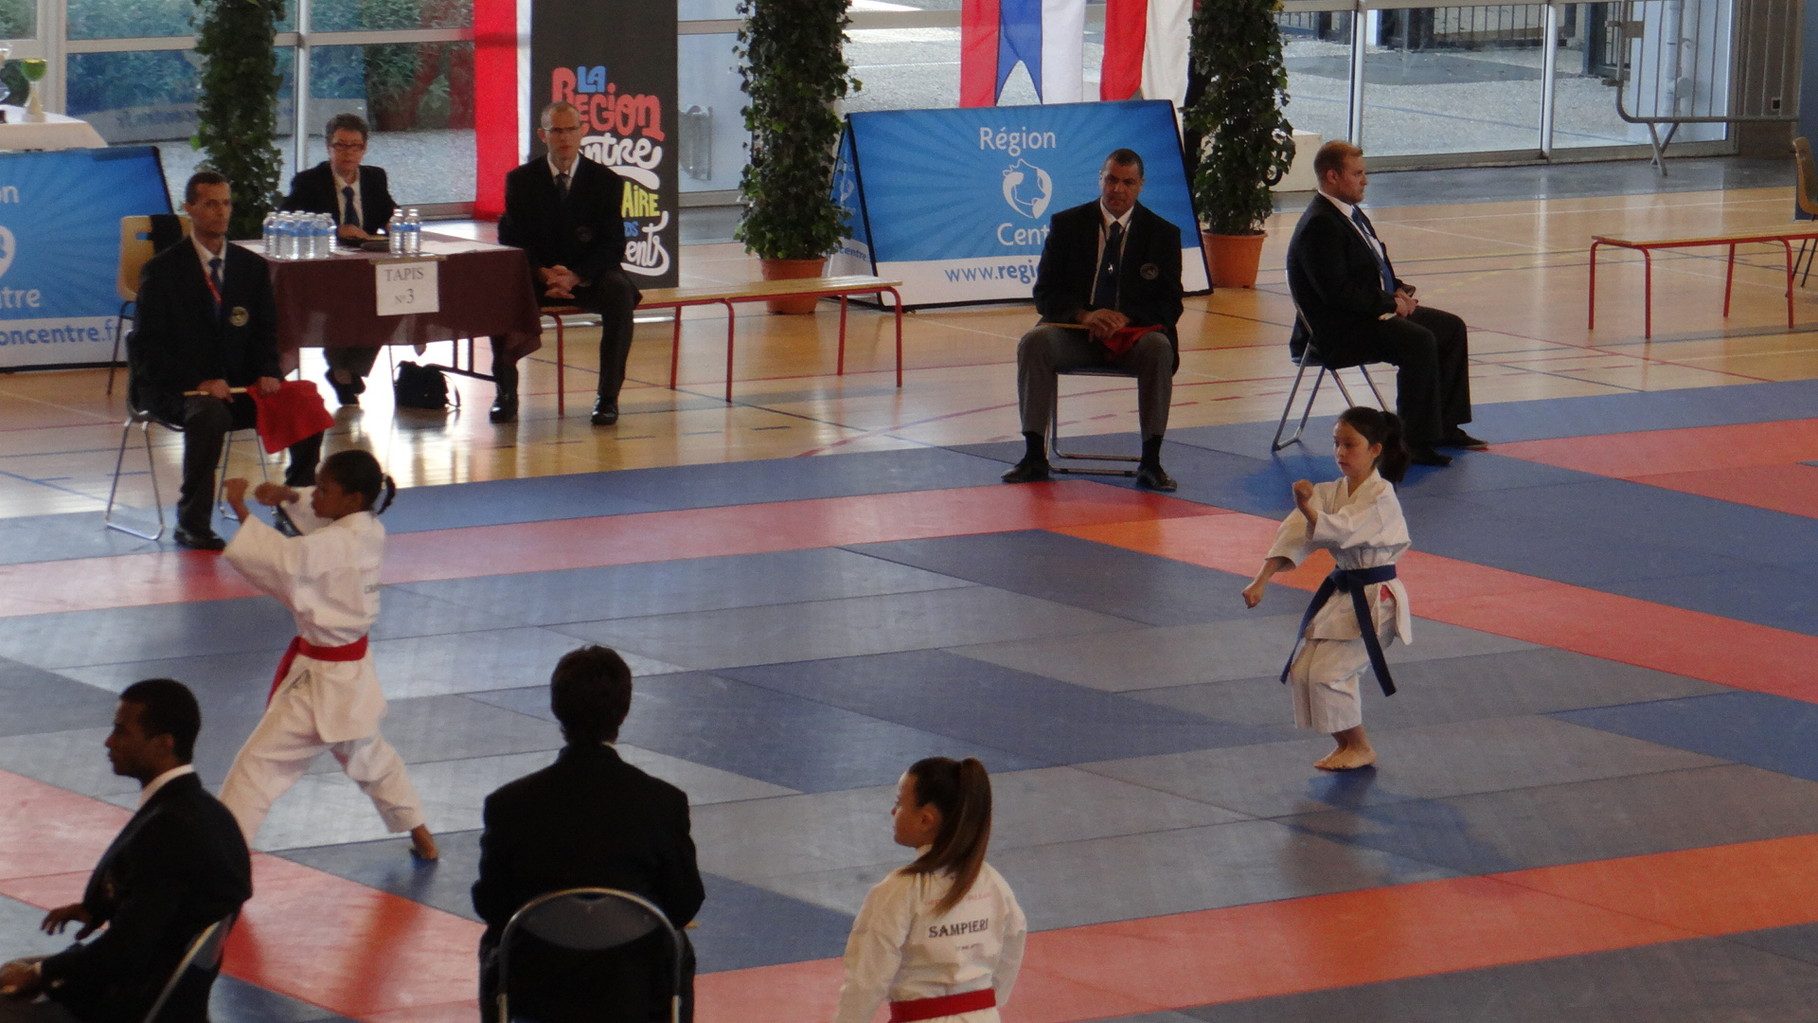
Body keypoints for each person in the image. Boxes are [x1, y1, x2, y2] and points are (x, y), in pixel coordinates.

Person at [215, 449, 438, 861]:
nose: (314, 496)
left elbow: (285, 560)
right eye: (314, 487)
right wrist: (289, 495)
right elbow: (321, 532)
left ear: (353, 499)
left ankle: (221, 858)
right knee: (371, 758)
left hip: (321, 680)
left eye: (323, 489)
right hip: (351, 677)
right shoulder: (367, 528)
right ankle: (423, 836)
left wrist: (238, 507)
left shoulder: (336, 544)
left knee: (256, 767)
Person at [472, 645, 704, 1023]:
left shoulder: (508, 804)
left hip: (538, 988)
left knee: (497, 940)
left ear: (556, 709)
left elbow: (491, 905)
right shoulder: (663, 802)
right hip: (633, 989)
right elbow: (684, 903)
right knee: (675, 940)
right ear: (624, 711)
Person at [0, 679, 252, 1023]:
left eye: (122, 731)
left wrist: (41, 974)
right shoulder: (206, 811)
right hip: (168, 990)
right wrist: (98, 907)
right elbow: (167, 902)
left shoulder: (169, 829)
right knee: (13, 972)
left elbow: (127, 949)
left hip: (130, 1001)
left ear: (164, 744)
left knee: (7, 995)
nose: (109, 741)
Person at [131, 171, 323, 552]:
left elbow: (266, 331)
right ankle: (191, 522)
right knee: (208, 414)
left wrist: (268, 370)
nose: (221, 212)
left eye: (226, 203)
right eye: (211, 204)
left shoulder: (250, 267)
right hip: (177, 390)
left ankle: (294, 508)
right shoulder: (162, 271)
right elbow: (147, 347)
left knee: (305, 403)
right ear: (189, 209)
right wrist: (198, 382)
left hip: (239, 386)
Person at [1285, 141, 1483, 468]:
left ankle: (1446, 426)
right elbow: (1338, 294)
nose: (1365, 180)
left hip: (1369, 312)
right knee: (1418, 340)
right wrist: (1389, 301)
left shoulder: (1350, 214)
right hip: (1339, 330)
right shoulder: (1320, 225)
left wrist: (1398, 290)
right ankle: (1413, 442)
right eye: (1357, 174)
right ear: (1332, 176)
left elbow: (1372, 267)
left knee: (1450, 328)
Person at [1241, 406, 1414, 771]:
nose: (1340, 452)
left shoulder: (1381, 495)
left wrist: (1307, 508)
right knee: (1304, 670)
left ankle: (1360, 747)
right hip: (1344, 594)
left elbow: (1342, 529)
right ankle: (1346, 744)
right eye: (1336, 443)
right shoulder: (1330, 491)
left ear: (1375, 450)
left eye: (1350, 445)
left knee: (1328, 674)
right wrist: (1262, 580)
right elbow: (1293, 535)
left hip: (1376, 599)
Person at [1002, 147, 1184, 491]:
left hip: (1133, 338)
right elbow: (1044, 293)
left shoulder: (1163, 233)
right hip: (1076, 335)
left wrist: (1124, 318)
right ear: (1100, 179)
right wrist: (1085, 315)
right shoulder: (1067, 224)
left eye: (1127, 182)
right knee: (1034, 342)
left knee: (1159, 347)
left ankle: (1151, 462)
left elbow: (1170, 304)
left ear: (1141, 186)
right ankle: (1033, 456)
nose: (1118, 189)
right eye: (1111, 180)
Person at [835, 757, 1027, 1023]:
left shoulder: (898, 891)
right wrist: (984, 1006)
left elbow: (866, 982)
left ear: (925, 819)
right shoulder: (992, 882)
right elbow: (1012, 947)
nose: (893, 811)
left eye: (899, 803)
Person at [490, 101, 642, 426]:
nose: (564, 138)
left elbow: (613, 244)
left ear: (583, 131)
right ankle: (505, 394)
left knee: (619, 293)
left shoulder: (606, 180)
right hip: (538, 275)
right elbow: (511, 238)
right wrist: (543, 273)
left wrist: (575, 276)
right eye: (556, 130)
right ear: (542, 135)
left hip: (585, 275)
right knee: (499, 293)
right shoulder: (520, 180)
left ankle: (607, 398)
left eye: (571, 129)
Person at [281, 112, 399, 406]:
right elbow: (287, 220)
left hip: (366, 266)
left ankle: (349, 367)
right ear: (328, 147)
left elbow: (389, 212)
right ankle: (342, 371)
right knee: (343, 300)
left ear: (364, 148)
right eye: (341, 145)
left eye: (355, 146)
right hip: (324, 271)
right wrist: (334, 230)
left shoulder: (374, 177)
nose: (348, 153)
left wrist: (395, 225)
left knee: (394, 298)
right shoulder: (309, 182)